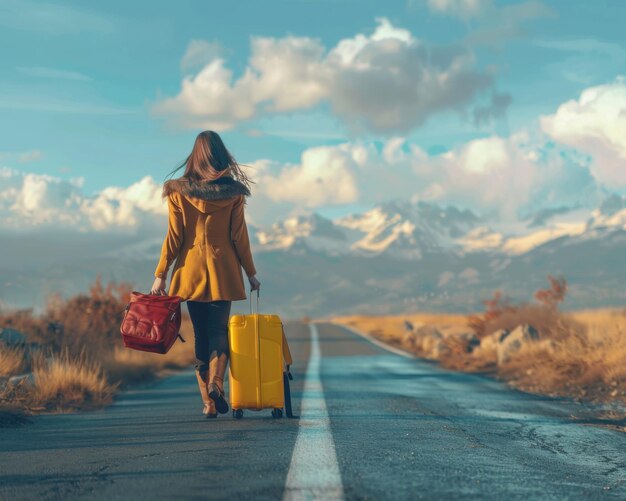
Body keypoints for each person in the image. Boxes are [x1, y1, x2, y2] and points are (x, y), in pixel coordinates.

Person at [151, 130, 260, 418]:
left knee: (201, 335)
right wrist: (251, 273)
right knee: (218, 332)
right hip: (223, 270)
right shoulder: (233, 193)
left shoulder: (177, 192)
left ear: (195, 156)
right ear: (221, 155)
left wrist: (161, 273)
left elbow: (173, 236)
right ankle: (216, 384)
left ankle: (209, 404)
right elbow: (239, 237)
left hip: (190, 271)